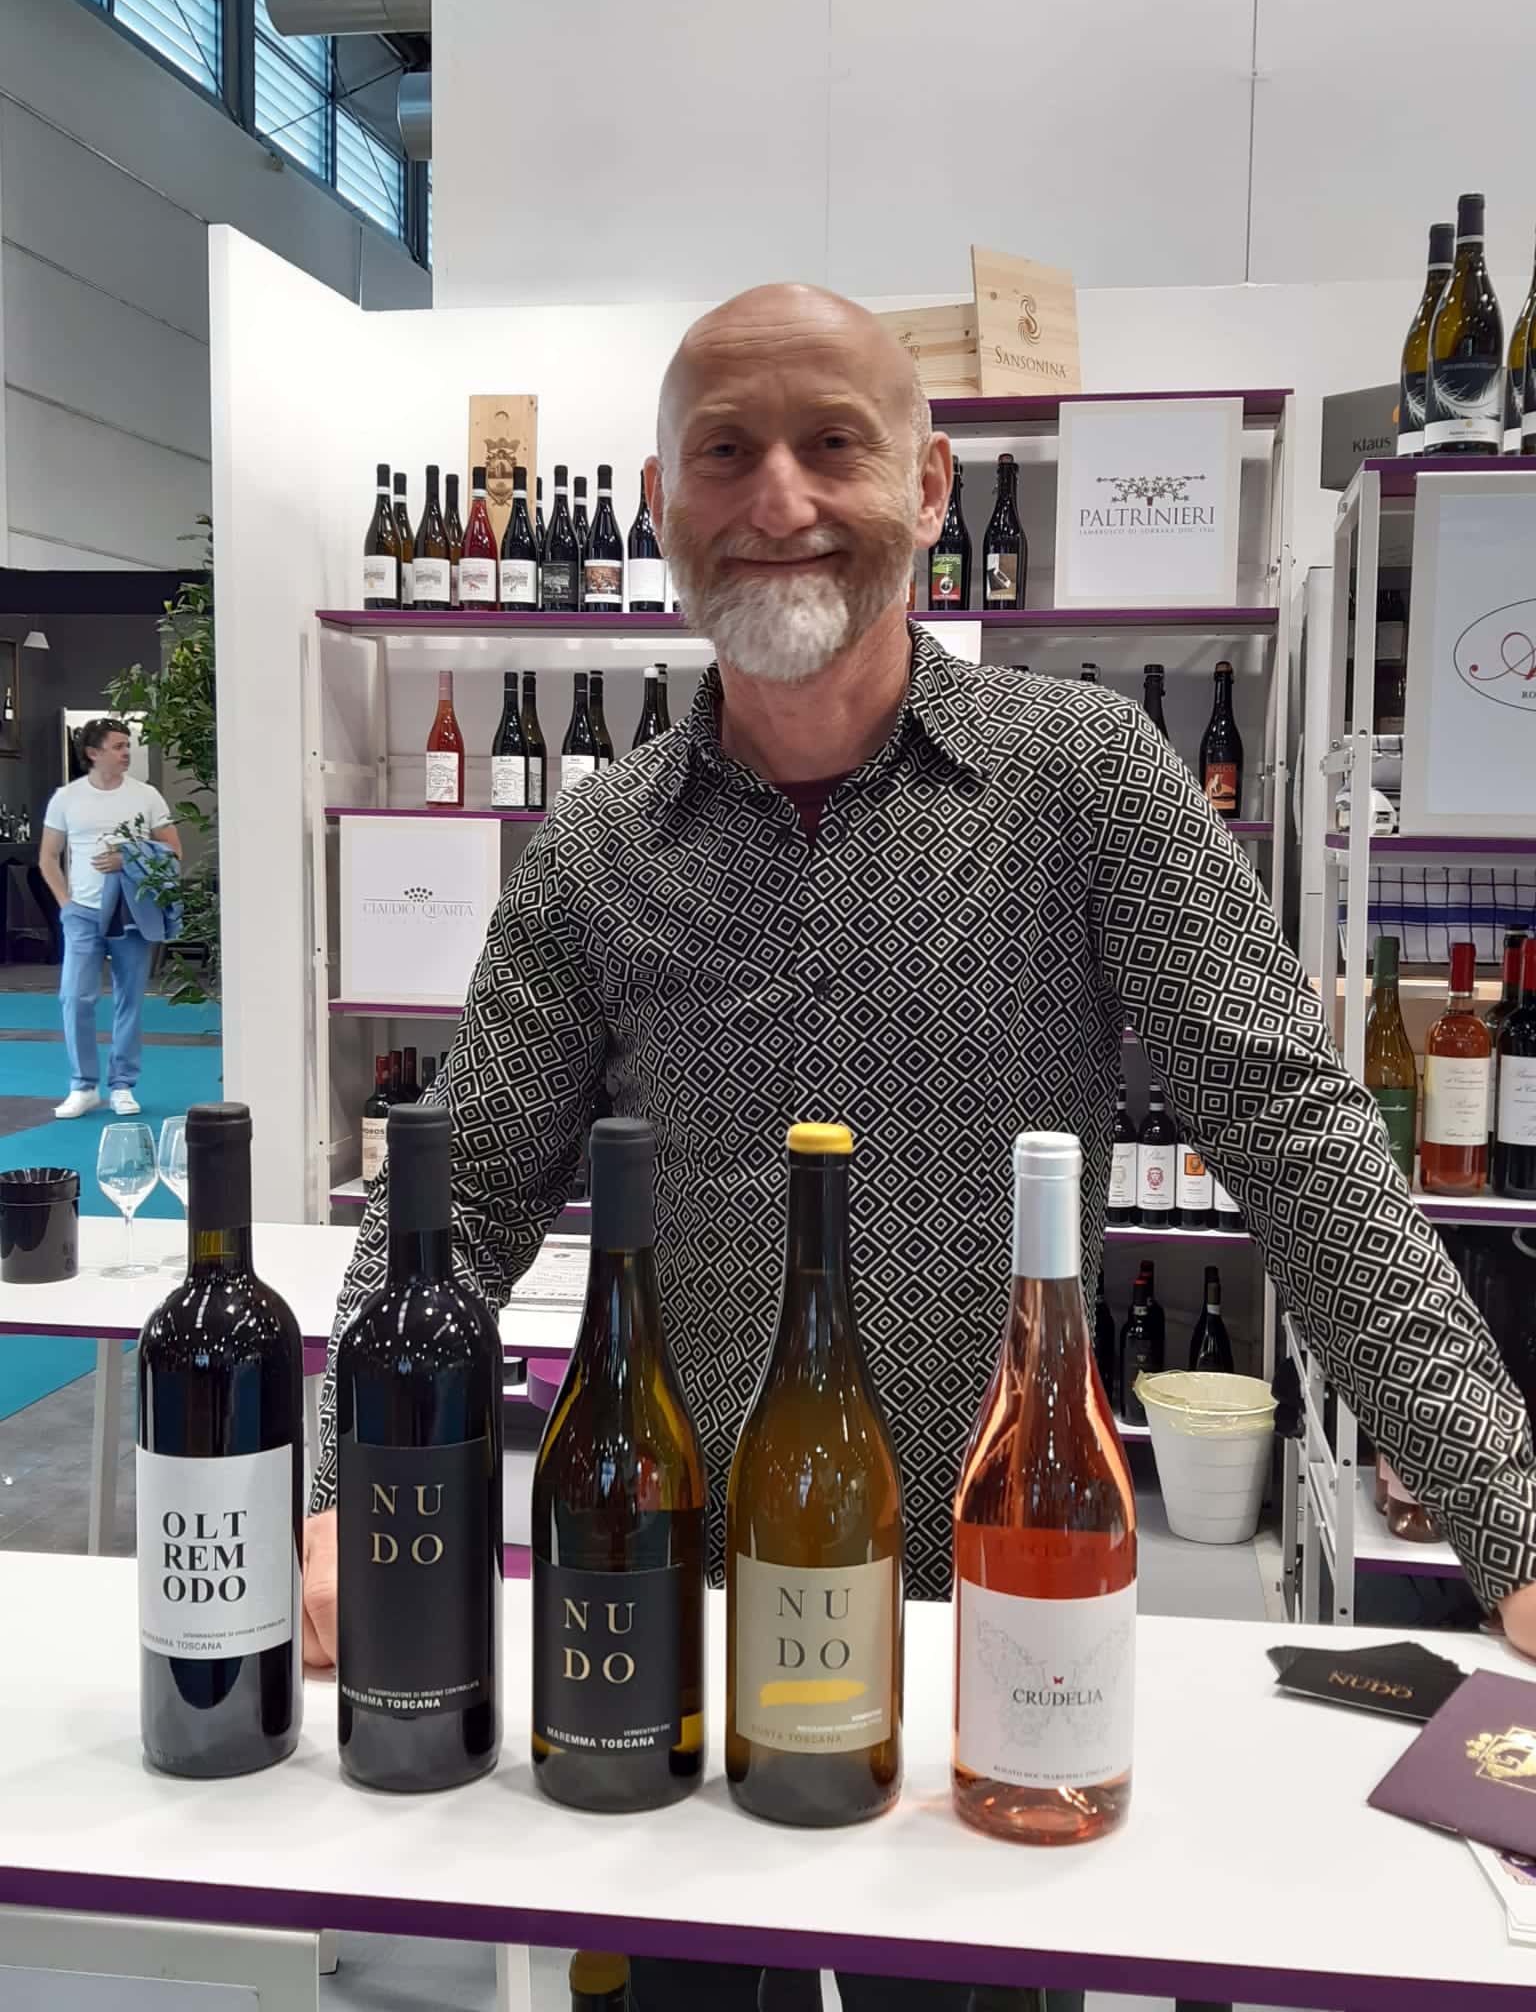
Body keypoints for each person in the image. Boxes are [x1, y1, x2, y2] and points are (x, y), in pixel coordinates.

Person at [301, 285, 1536, 2008]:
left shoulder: (1086, 780)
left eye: (834, 443)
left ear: (932, 485)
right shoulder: (592, 851)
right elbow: (468, 1191)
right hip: (680, 1625)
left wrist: (1506, 1511)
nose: (779, 497)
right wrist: (341, 1487)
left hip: (997, 1627)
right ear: (659, 503)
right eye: (724, 451)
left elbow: (1293, 1127)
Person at [38, 717, 180, 1120]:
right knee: (74, 997)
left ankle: (122, 1085)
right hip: (82, 913)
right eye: (118, 746)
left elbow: (173, 852)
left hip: (131, 910)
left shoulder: (146, 796)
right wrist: (65, 904)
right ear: (93, 753)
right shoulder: (67, 798)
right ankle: (83, 1086)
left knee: (129, 998)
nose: (126, 752)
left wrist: (128, 858)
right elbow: (48, 857)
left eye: (127, 745)